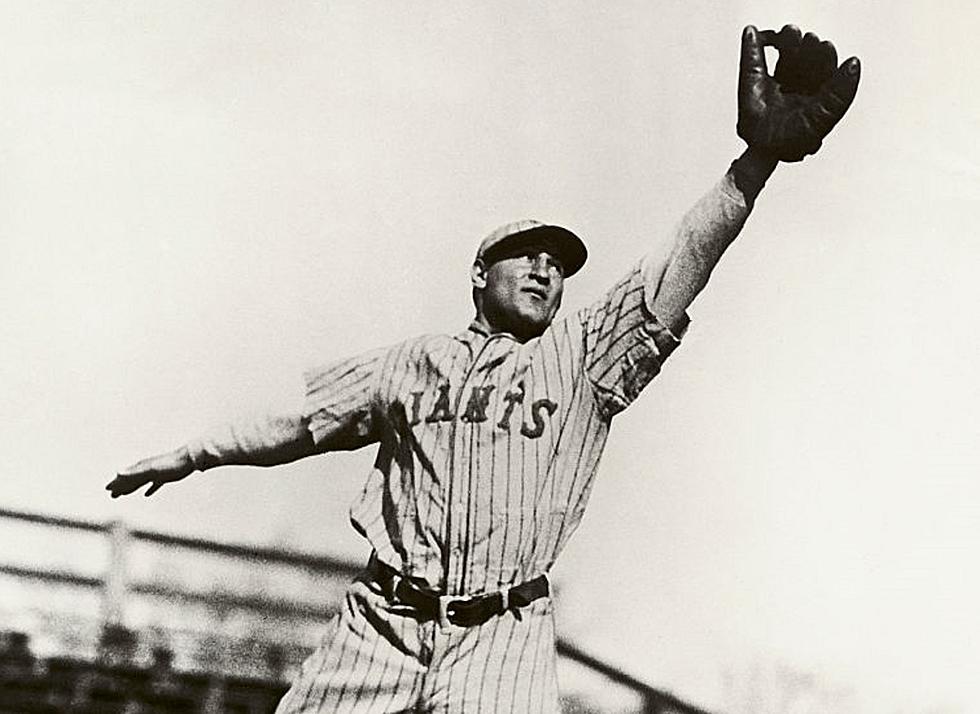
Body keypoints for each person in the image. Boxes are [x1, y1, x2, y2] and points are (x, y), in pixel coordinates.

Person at [106, 25, 861, 713]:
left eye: (558, 262)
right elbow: (300, 422)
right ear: (478, 275)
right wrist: (194, 453)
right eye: (525, 253)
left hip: (502, 635)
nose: (544, 268)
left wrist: (755, 163)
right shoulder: (411, 361)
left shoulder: (584, 356)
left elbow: (682, 258)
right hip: (381, 622)